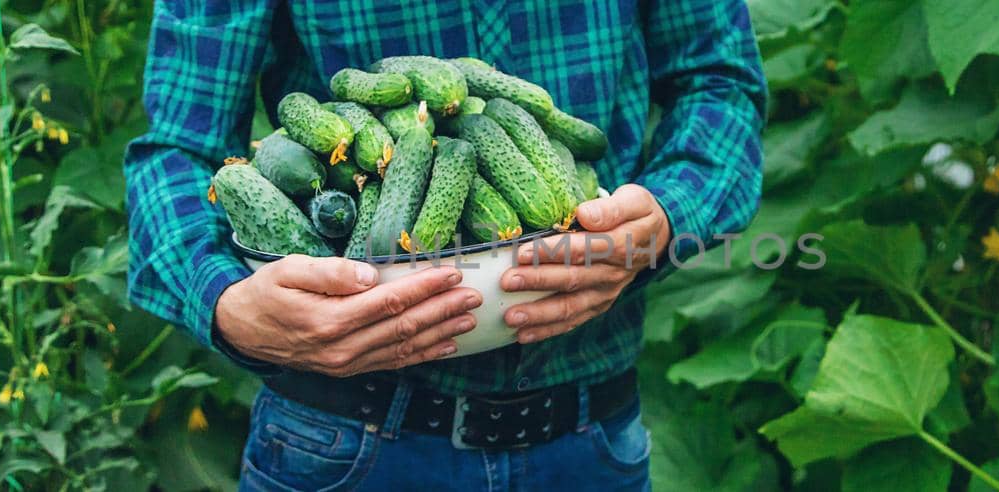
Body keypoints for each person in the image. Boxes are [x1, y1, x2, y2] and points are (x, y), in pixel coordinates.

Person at [124, 1, 765, 490]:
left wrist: (667, 214)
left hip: (590, 436)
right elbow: (179, 145)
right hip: (343, 438)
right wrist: (225, 303)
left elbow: (719, 84)